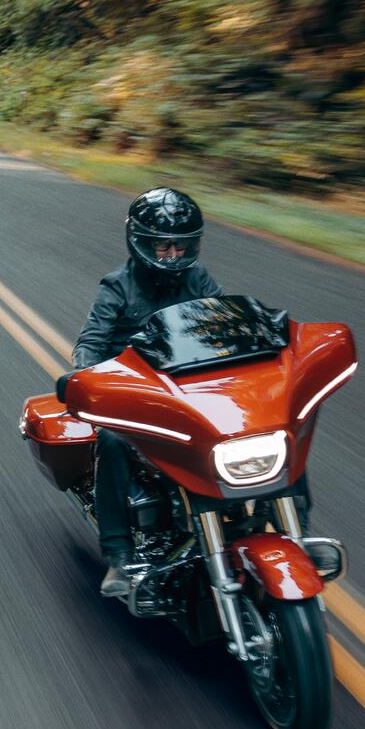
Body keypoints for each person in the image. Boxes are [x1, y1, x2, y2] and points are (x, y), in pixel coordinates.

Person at [71, 188, 223, 597]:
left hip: (189, 386)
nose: (173, 253)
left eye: (182, 245)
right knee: (112, 438)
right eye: (163, 244)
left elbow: (225, 322)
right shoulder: (118, 286)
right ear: (140, 241)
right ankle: (119, 557)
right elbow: (91, 339)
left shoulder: (199, 278)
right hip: (136, 392)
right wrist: (88, 372)